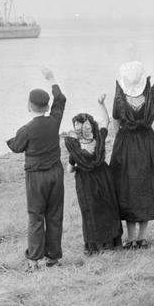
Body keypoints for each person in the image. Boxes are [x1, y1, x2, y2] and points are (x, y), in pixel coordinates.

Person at [110, 33, 154, 249]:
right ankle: (142, 237)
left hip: (125, 144)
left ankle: (130, 237)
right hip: (146, 144)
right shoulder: (151, 95)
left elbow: (115, 124)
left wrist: (119, 140)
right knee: (145, 186)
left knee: (126, 188)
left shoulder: (119, 99)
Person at [6, 67, 67, 271]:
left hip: (36, 178)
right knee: (54, 215)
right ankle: (53, 258)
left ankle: (33, 261)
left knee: (36, 217)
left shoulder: (26, 130)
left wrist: (10, 139)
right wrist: (52, 79)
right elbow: (61, 100)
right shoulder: (54, 121)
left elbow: (16, 147)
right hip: (56, 174)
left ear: (29, 105)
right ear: (47, 106)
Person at [64, 95, 124, 255]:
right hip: (104, 176)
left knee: (90, 211)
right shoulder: (99, 138)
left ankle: (94, 246)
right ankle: (112, 242)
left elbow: (69, 169)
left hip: (85, 181)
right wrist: (101, 104)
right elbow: (106, 121)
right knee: (108, 207)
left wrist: (80, 168)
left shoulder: (76, 149)